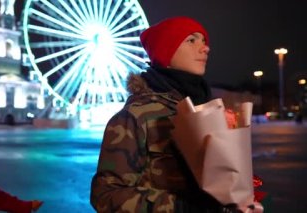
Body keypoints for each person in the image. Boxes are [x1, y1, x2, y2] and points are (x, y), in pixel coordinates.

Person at [90, 16, 245, 212]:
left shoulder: (208, 108)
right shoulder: (135, 116)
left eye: (204, 41)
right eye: (191, 40)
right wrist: (180, 207)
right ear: (166, 52)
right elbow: (106, 195)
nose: (205, 48)